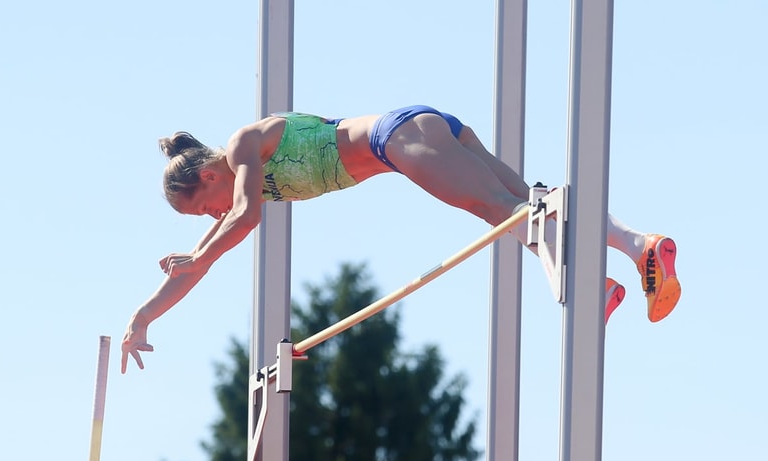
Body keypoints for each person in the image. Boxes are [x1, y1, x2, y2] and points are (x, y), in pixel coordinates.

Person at [121, 105, 681, 373]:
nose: (208, 218)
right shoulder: (241, 189)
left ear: (209, 177)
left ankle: (588, 289)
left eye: (201, 210)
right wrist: (142, 319)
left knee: (505, 211)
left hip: (398, 137)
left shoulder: (242, 147)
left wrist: (199, 252)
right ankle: (639, 246)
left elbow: (242, 219)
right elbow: (206, 258)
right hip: (424, 128)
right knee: (533, 202)